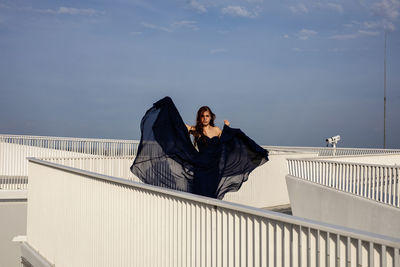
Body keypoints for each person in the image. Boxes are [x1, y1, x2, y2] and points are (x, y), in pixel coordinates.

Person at [130, 97, 268, 199]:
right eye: (202, 116)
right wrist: (168, 108)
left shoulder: (218, 130)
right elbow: (179, 126)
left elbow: (229, 140)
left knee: (211, 196)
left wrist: (228, 128)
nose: (205, 118)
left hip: (213, 168)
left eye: (207, 116)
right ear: (200, 117)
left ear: (211, 117)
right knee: (199, 195)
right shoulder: (196, 130)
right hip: (200, 167)